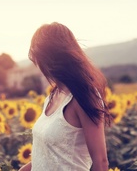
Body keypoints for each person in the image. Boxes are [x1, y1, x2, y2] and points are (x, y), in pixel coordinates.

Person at [19, 22, 111, 171]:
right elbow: (50, 154)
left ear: (51, 59)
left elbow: (100, 162)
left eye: (38, 59)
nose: (37, 66)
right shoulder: (52, 97)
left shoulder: (84, 96)